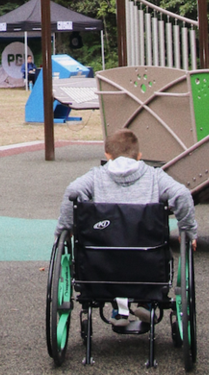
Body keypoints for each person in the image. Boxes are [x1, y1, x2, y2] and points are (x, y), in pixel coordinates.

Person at [55, 128, 197, 330]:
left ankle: (119, 308)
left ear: (107, 155)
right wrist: (188, 230)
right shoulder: (155, 177)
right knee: (142, 254)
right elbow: (182, 195)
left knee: (112, 252)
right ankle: (145, 302)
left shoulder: (96, 177)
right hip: (147, 261)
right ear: (139, 156)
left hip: (102, 265)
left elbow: (73, 192)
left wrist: (65, 228)